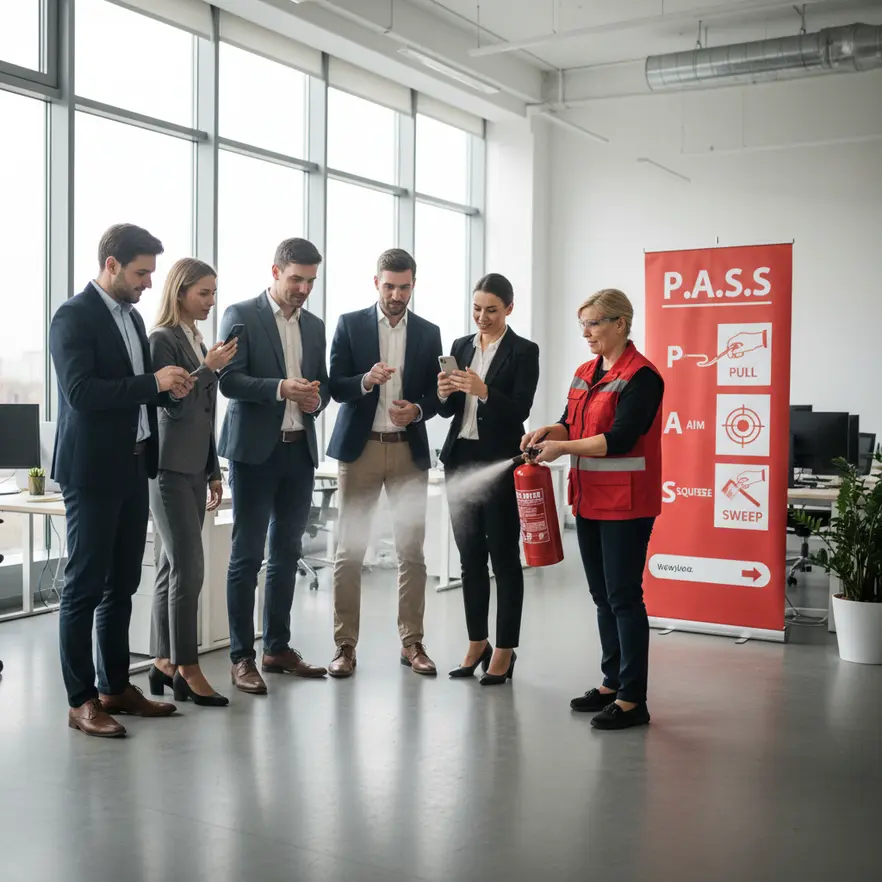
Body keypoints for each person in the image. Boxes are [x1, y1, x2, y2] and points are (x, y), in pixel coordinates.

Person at [49, 224, 195, 738]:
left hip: (136, 465)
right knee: (84, 587)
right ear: (111, 265)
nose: (148, 285)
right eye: (140, 273)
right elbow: (81, 392)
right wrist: (151, 382)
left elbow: (136, 392)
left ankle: (114, 686)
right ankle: (80, 699)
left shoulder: (132, 319)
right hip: (92, 472)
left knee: (122, 585)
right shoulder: (72, 316)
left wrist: (168, 390)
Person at [523, 288, 663, 730]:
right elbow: (573, 420)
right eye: (582, 324)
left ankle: (632, 699)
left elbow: (621, 438)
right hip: (588, 501)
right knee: (602, 596)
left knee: (623, 596)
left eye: (594, 323)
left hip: (626, 503)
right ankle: (610, 683)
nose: (585, 332)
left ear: (620, 323)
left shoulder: (643, 377)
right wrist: (552, 429)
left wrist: (562, 446)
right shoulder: (586, 371)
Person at [218, 238, 330, 695]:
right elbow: (229, 380)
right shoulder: (240, 314)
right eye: (296, 279)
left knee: (287, 553)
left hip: (298, 451)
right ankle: (242, 656)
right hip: (254, 454)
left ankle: (277, 647)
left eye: (310, 281)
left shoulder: (316, 326)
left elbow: (317, 391)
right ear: (275, 271)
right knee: (247, 556)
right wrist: (282, 387)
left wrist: (313, 398)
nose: (303, 288)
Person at [326, 249, 443, 677]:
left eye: (405, 286)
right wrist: (364, 381)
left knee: (411, 552)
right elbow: (334, 387)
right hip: (361, 451)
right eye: (389, 285)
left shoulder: (430, 333)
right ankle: (344, 646)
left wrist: (419, 411)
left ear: (414, 284)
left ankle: (412, 643)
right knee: (349, 551)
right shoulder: (349, 324)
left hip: (409, 452)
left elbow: (438, 396)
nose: (397, 294)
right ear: (376, 282)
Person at [438, 273, 540, 686]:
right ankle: (476, 641)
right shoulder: (461, 346)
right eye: (477, 308)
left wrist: (483, 391)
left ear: (509, 309)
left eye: (491, 310)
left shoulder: (524, 351)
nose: (482, 316)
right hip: (459, 460)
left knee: (503, 557)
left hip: (499, 464)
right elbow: (448, 414)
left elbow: (520, 409)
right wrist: (445, 392)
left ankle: (505, 649)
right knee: (469, 559)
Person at [146, 259, 238, 707]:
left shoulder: (196, 337)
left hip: (192, 466)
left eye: (214, 292)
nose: (211, 300)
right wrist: (207, 367)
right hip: (166, 470)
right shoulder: (162, 338)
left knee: (170, 568)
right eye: (204, 292)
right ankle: (187, 666)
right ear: (180, 291)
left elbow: (205, 416)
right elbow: (172, 405)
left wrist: (214, 470)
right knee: (190, 568)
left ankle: (163, 662)